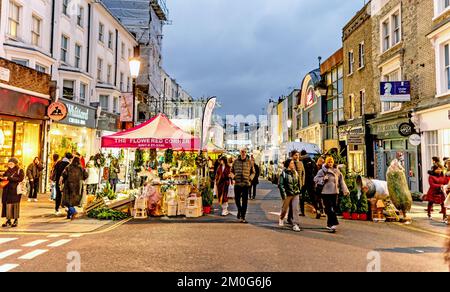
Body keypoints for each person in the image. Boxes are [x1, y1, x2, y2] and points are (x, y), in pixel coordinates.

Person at [314, 157, 350, 232]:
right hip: (325, 192)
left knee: (333, 208)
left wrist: (345, 190)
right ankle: (334, 223)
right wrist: (323, 178)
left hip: (335, 192)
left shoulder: (337, 171)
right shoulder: (322, 171)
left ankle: (329, 224)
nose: (330, 164)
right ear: (326, 163)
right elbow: (315, 179)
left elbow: (341, 181)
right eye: (329, 162)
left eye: (331, 162)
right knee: (329, 208)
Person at [230, 148, 255, 223]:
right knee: (237, 200)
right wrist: (233, 177)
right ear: (240, 152)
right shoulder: (235, 161)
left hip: (245, 184)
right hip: (237, 183)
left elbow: (253, 172)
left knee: (245, 201)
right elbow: (231, 171)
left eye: (244, 152)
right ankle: (239, 210)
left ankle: (243, 216)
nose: (243, 153)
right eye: (242, 152)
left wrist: (250, 178)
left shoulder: (249, 162)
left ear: (246, 153)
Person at [278, 159, 302, 232]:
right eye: (291, 163)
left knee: (296, 209)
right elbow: (280, 185)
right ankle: (281, 218)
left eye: (293, 163)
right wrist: (284, 195)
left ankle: (296, 224)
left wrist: (299, 190)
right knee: (284, 209)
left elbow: (298, 182)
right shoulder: (283, 173)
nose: (293, 165)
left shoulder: (295, 172)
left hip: (295, 193)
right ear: (288, 164)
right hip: (287, 194)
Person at [299, 150, 324, 219]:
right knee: (313, 197)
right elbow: (316, 172)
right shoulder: (312, 161)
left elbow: (300, 172)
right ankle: (318, 210)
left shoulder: (301, 162)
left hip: (303, 182)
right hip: (311, 182)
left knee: (302, 196)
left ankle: (302, 212)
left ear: (301, 154)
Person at [1, 158, 25, 228]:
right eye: (9, 164)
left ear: (15, 164)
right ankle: (8, 220)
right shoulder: (7, 171)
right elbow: (4, 178)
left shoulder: (19, 170)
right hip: (7, 190)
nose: (10, 165)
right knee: (7, 205)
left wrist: (8, 178)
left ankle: (15, 220)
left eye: (11, 164)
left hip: (15, 191)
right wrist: (2, 177)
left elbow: (20, 179)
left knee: (15, 205)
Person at [290, 151, 306, 216]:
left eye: (298, 155)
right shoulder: (291, 163)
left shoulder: (301, 163)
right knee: (292, 200)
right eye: (295, 155)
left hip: (300, 184)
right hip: (292, 184)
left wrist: (303, 182)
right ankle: (290, 215)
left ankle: (302, 211)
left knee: (301, 198)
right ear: (292, 156)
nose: (297, 156)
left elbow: (303, 173)